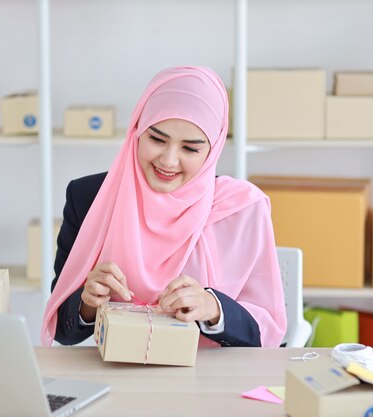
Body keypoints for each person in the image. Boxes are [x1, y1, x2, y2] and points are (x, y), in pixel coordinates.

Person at [41, 66, 286, 348]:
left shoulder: (241, 209)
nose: (168, 161)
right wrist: (87, 302)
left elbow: (268, 332)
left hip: (209, 377)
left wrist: (214, 308)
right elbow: (62, 329)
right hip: (119, 370)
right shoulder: (88, 197)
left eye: (190, 149)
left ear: (213, 150)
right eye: (156, 139)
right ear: (136, 132)